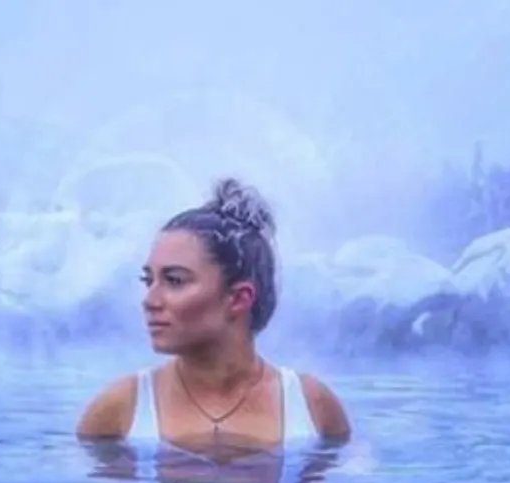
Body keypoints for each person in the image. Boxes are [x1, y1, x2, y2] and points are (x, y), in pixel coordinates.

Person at [76, 176, 351, 459]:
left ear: (239, 298)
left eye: (174, 280)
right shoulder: (118, 410)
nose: (150, 301)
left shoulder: (312, 407)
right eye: (149, 281)